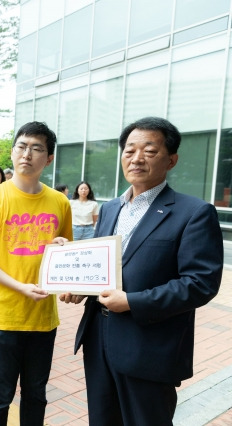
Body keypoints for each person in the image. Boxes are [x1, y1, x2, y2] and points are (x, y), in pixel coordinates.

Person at [60, 117, 223, 425]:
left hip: (148, 346)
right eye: (129, 150)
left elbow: (200, 283)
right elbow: (103, 270)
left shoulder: (193, 212)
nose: (136, 158)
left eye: (149, 150)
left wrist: (133, 301)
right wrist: (82, 286)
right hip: (98, 340)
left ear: (171, 160)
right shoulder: (109, 209)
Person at [0, 121, 72, 425]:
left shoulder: (60, 202)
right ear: (13, 152)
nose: (27, 154)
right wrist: (19, 287)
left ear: (49, 158)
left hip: (42, 316)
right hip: (4, 315)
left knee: (36, 393)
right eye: (22, 146)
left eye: (37, 148)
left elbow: (65, 257)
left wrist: (62, 248)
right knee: (0, 393)